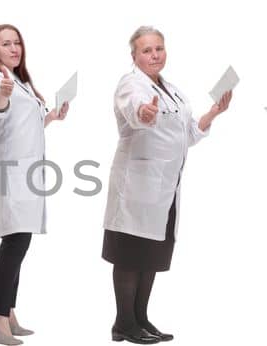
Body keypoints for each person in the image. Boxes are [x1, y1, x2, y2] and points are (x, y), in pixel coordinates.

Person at [105, 25, 232, 345]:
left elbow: (187, 134)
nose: (154, 55)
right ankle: (123, 322)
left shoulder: (171, 89)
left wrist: (214, 112)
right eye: (146, 50)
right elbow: (134, 108)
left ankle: (141, 318)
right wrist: (143, 112)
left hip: (165, 187)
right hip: (137, 186)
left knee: (151, 254)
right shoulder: (131, 83)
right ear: (134, 55)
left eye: (159, 48)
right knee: (131, 253)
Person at [0, 24, 71, 346]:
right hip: (9, 174)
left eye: (17, 43)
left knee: (19, 242)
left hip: (26, 172)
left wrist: (51, 116)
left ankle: (8, 311)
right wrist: (1, 94)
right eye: (6, 44)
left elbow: (24, 122)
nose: (14, 49)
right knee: (15, 243)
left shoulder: (20, 82)